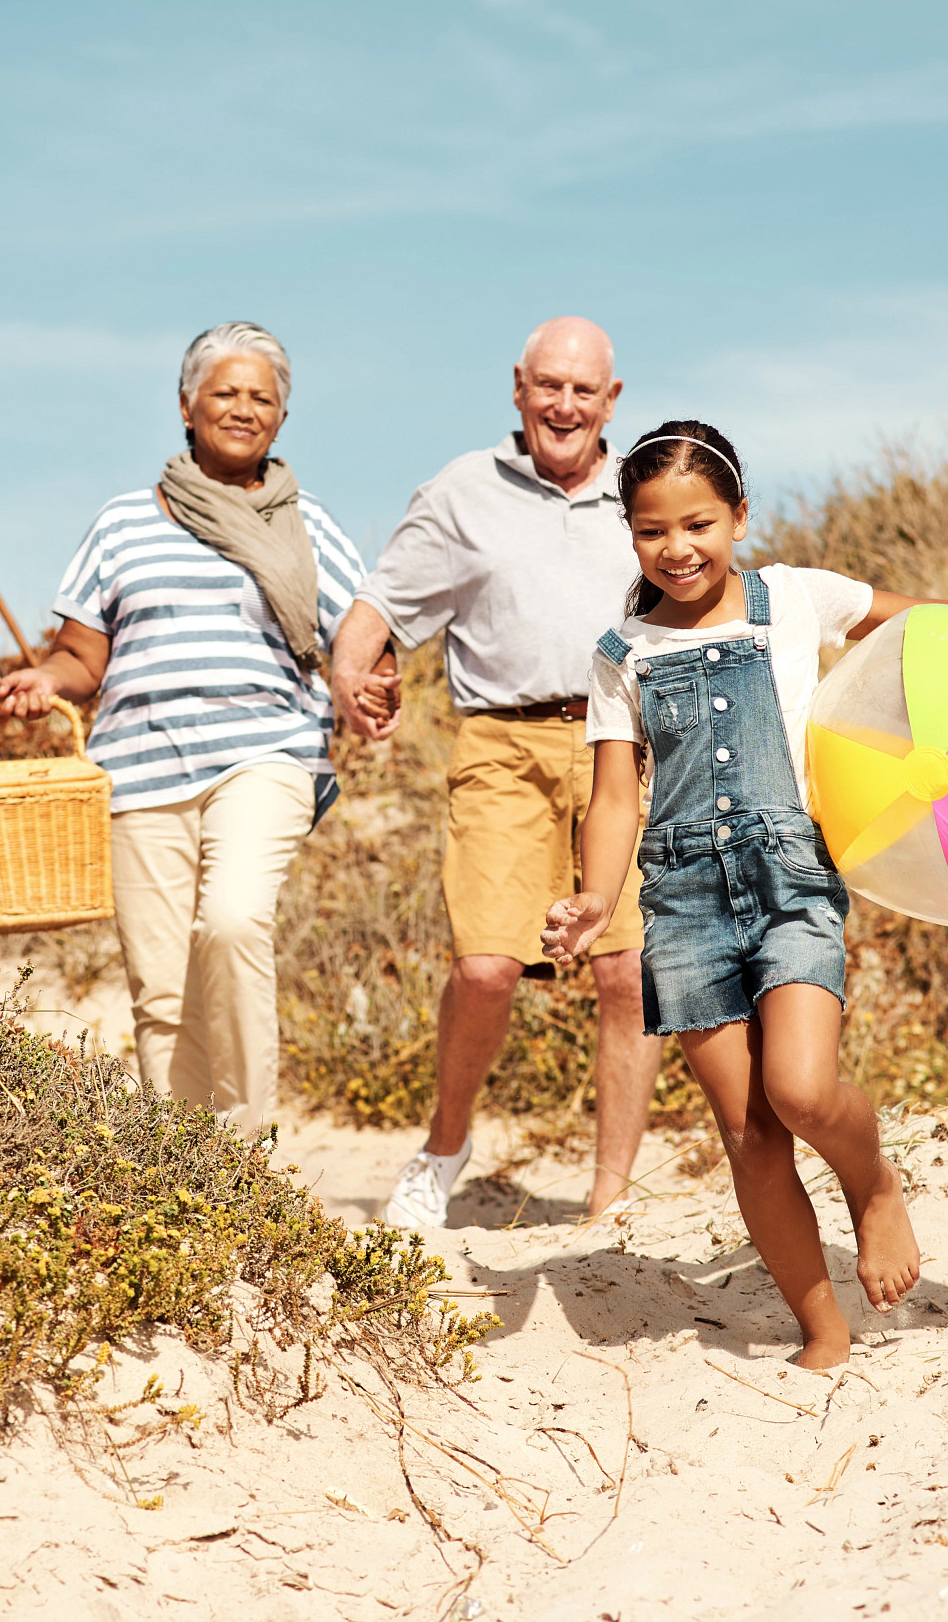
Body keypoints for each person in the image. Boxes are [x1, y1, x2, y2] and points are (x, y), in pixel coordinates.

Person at [542, 420, 948, 1367]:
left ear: (740, 518)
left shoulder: (793, 598)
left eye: (700, 525)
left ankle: (872, 1182)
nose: (678, 549)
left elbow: (929, 626)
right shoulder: (620, 652)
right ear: (630, 534)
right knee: (749, 1133)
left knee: (800, 1091)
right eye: (652, 531)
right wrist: (595, 899)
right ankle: (823, 1332)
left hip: (792, 876)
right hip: (682, 904)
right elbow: (613, 796)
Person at [0, 323, 382, 1139]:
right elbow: (81, 654)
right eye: (225, 393)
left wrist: (366, 685)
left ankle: (246, 1150)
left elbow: (365, 628)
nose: (243, 409)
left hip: (265, 753)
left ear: (281, 418)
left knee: (235, 922)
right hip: (137, 771)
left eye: (262, 398)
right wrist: (44, 677)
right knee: (163, 991)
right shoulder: (122, 523)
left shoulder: (305, 522)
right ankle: (187, 1172)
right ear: (185, 404)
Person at [328, 317, 649, 1228]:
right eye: (549, 385)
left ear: (611, 401)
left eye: (584, 391)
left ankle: (611, 1193)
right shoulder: (464, 490)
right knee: (485, 970)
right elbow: (380, 605)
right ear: (518, 386)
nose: (565, 405)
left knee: (627, 972)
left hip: (623, 748)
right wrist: (355, 670)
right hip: (501, 748)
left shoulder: (644, 490)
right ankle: (443, 1148)